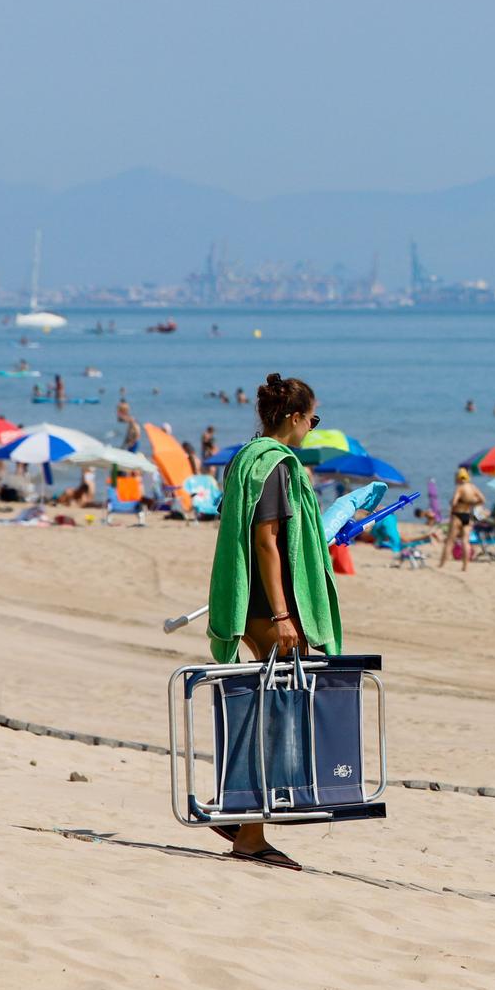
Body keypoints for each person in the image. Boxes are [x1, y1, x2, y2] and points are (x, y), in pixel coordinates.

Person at [204, 373, 343, 871]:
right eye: (313, 418)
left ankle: (237, 812)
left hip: (250, 602)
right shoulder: (277, 466)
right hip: (267, 607)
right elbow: (265, 541)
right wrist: (284, 614)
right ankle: (248, 833)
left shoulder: (246, 457)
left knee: (269, 708)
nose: (312, 427)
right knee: (279, 714)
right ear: (294, 417)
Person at [440, 468, 484, 570]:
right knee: (465, 541)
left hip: (457, 515)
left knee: (450, 541)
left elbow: (454, 502)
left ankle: (442, 564)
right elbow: (482, 499)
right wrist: (471, 503)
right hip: (467, 515)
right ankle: (465, 566)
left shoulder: (460, 488)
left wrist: (453, 504)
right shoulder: (473, 487)